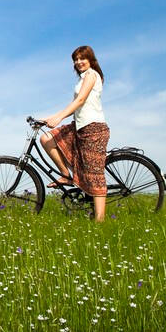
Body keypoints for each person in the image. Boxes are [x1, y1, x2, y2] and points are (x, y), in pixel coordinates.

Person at [40, 45, 110, 221]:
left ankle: (100, 220)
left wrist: (60, 118)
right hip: (79, 126)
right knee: (47, 138)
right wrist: (50, 118)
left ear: (90, 59)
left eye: (82, 58)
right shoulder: (81, 79)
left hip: (93, 129)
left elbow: (80, 100)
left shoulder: (92, 75)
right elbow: (74, 106)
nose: (78, 62)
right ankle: (65, 175)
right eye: (76, 59)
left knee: (94, 174)